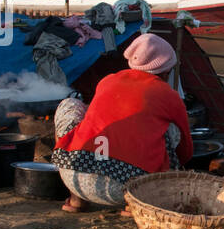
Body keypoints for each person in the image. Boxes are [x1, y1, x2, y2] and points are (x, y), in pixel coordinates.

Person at [52, 33, 192, 213]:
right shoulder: (170, 96)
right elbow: (185, 150)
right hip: (133, 188)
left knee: (70, 104)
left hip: (75, 175)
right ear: (166, 72)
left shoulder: (108, 80)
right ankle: (132, 206)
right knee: (171, 129)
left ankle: (76, 200)